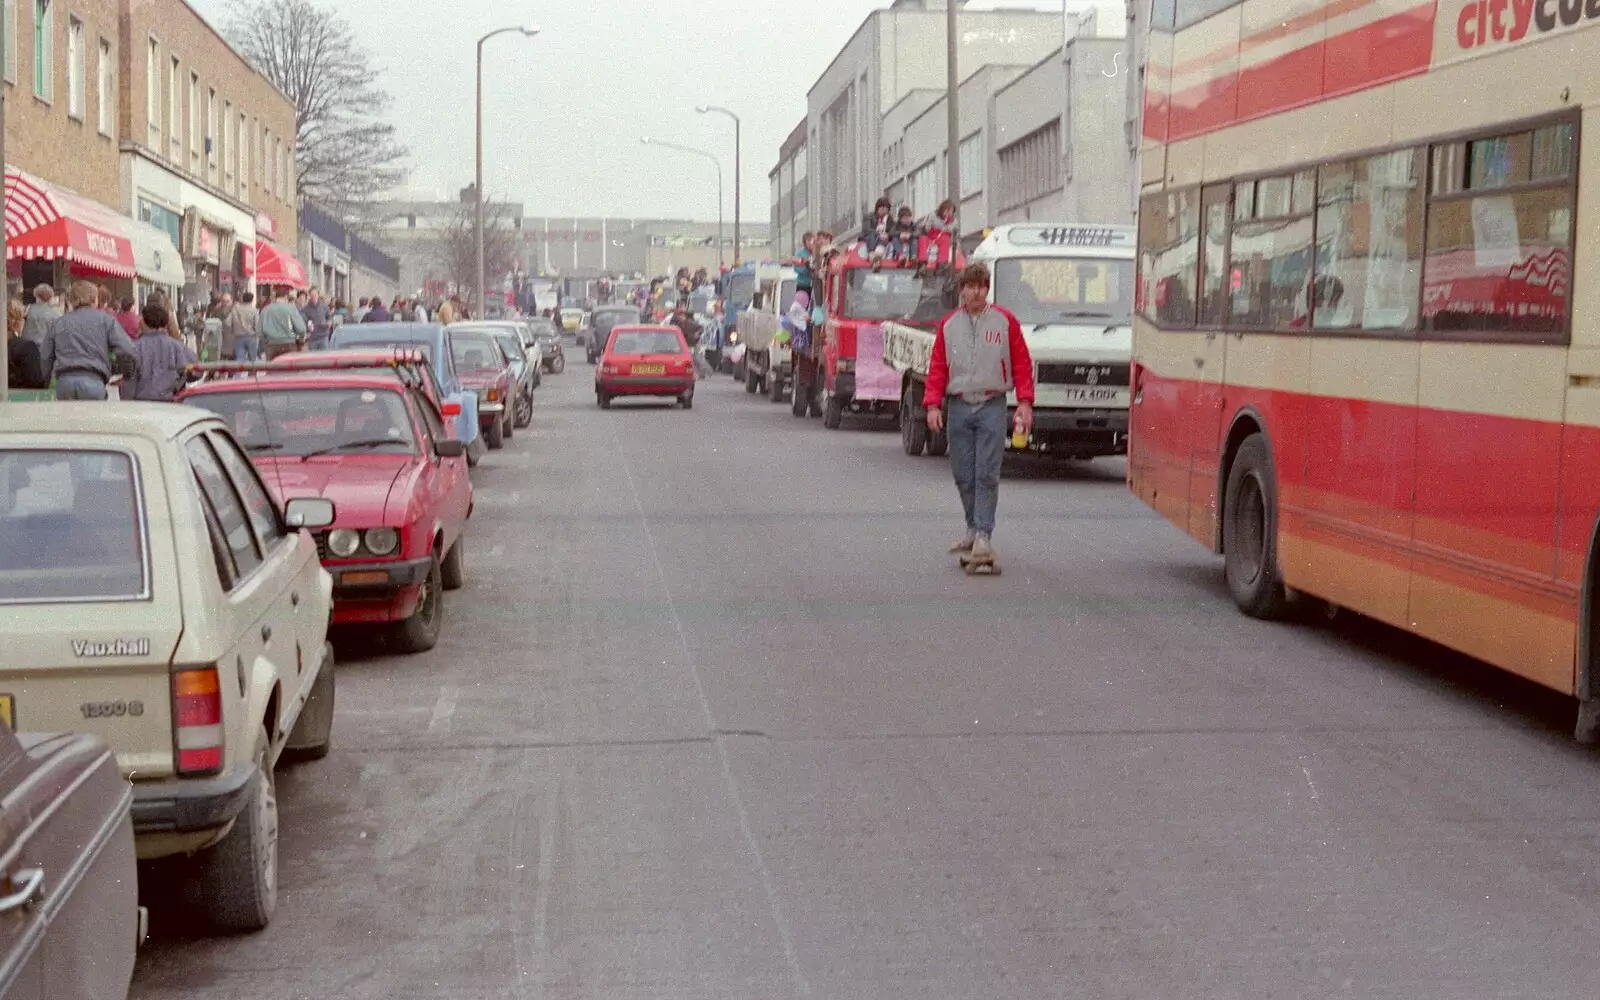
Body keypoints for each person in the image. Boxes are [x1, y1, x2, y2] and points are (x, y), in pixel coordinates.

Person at [923, 263, 1034, 569]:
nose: (976, 292)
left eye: (982, 286)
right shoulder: (948, 325)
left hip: (991, 405)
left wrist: (1025, 402)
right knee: (963, 473)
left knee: (986, 473)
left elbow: (1022, 363)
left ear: (988, 289)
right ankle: (972, 528)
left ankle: (984, 534)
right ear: (961, 290)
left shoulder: (1005, 322)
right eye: (970, 286)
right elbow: (937, 369)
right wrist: (932, 405)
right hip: (958, 405)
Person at [40, 280, 139, 400]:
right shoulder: (106, 321)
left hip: (64, 382)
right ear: (95, 299)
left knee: (66, 418)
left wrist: (45, 380)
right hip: (94, 380)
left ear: (71, 300)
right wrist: (125, 372)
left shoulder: (59, 323)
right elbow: (127, 349)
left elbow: (45, 355)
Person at [121, 303, 197, 402]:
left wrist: (127, 404)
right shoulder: (177, 346)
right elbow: (196, 370)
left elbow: (129, 383)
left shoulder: (135, 348)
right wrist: (178, 385)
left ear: (144, 322)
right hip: (171, 403)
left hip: (142, 405)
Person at [259, 287, 308, 358]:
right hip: (288, 344)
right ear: (286, 297)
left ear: (276, 297)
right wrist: (300, 339)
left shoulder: (266, 310)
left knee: (273, 367)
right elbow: (301, 329)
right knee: (288, 368)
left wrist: (266, 343)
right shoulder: (291, 308)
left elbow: (259, 331)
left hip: (271, 345)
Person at [672, 305, 707, 379]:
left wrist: (697, 333)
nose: (679, 318)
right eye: (678, 316)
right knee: (691, 359)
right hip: (687, 343)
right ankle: (694, 373)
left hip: (695, 343)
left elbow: (701, 328)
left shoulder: (691, 323)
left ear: (683, 316)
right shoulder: (679, 324)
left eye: (680, 316)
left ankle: (702, 373)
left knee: (697, 358)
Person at [227, 291, 261, 360]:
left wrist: (233, 330)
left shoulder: (235, 309)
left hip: (238, 337)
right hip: (251, 336)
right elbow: (257, 325)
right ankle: (252, 371)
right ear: (252, 300)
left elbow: (227, 322)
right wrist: (257, 334)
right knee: (252, 359)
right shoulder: (254, 310)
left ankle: (240, 370)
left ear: (243, 299)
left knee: (239, 358)